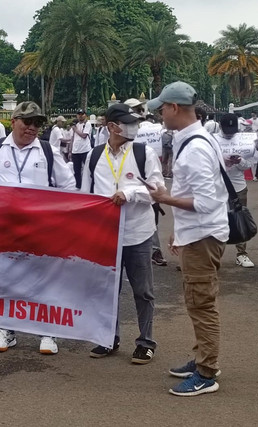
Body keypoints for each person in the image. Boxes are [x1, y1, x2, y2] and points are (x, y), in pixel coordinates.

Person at [147, 81, 228, 397]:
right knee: (198, 301)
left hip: (203, 235)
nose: (160, 115)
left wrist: (165, 198)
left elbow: (205, 202)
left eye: (162, 108)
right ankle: (202, 360)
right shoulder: (198, 138)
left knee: (201, 303)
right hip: (200, 234)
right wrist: (180, 232)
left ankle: (207, 371)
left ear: (174, 108)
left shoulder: (194, 147)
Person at [0, 102, 76, 355]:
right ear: (13, 121)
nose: (33, 128)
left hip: (40, 229)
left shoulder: (47, 151)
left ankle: (47, 332)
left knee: (43, 279)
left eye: (37, 123)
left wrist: (56, 217)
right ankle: (6, 329)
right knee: (5, 278)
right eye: (27, 122)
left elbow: (69, 187)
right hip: (5, 229)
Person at [81, 103, 163, 364]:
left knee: (143, 291)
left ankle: (146, 342)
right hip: (106, 236)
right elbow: (86, 194)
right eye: (127, 122)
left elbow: (157, 189)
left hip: (138, 233)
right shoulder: (94, 156)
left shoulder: (143, 152)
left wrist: (129, 193)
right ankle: (109, 338)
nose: (133, 127)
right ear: (112, 127)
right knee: (107, 291)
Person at [214, 114, 254, 268]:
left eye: (232, 130)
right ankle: (215, 254)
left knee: (240, 219)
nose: (230, 133)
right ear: (220, 126)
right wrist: (222, 161)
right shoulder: (212, 140)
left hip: (238, 186)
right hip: (218, 186)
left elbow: (248, 165)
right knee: (216, 219)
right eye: (227, 130)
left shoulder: (243, 140)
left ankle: (242, 254)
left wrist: (239, 161)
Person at [70, 109, 92, 189]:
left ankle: (88, 186)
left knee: (87, 169)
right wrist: (70, 150)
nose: (80, 116)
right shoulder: (76, 125)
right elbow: (72, 138)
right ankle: (78, 186)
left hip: (85, 149)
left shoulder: (87, 124)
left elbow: (84, 135)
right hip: (75, 151)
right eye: (79, 114)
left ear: (85, 115)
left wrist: (75, 129)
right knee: (77, 170)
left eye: (82, 114)